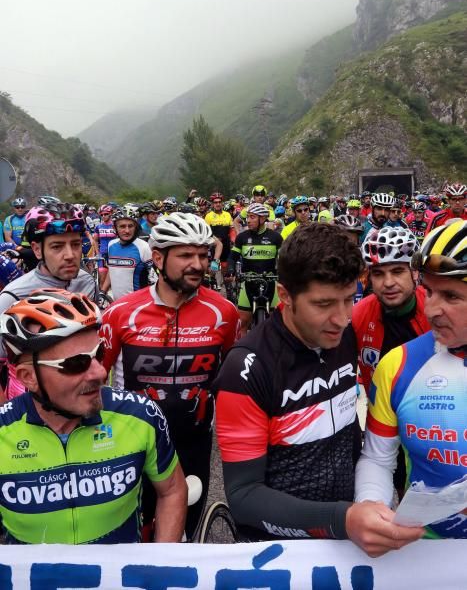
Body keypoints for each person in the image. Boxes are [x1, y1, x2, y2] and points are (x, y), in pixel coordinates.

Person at [214, 223, 423, 554]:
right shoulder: (245, 369)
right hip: (281, 551)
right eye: (324, 304)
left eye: (348, 299)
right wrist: (342, 519)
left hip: (348, 538)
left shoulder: (343, 333)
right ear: (285, 296)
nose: (341, 318)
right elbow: (243, 497)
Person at [0, 289, 187, 544]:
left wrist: (162, 564)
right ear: (28, 377)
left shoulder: (140, 415)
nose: (100, 372)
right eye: (76, 364)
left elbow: (173, 490)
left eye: (98, 354)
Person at [101, 212, 240, 539]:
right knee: (135, 532)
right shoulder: (121, 313)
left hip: (194, 441)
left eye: (203, 255)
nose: (197, 264)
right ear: (159, 258)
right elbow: (95, 377)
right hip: (134, 442)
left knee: (185, 534)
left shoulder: (224, 312)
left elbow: (231, 381)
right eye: (186, 255)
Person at [355, 219, 467, 540]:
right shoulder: (398, 364)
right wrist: (370, 505)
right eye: (429, 292)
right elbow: (377, 458)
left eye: (451, 296)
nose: (431, 309)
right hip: (428, 546)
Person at [0, 203, 96, 401]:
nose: (70, 255)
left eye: (75, 244)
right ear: (37, 250)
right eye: (57, 246)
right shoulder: (13, 297)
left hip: (80, 390)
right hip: (31, 398)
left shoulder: (86, 282)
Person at [353, 226, 430, 393]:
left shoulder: (435, 308)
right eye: (379, 274)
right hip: (378, 413)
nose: (388, 283)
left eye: (397, 271)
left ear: (415, 272)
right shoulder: (358, 315)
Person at [227, 203, 282, 335]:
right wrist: (230, 269)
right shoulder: (242, 237)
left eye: (252, 217)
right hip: (248, 282)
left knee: (278, 324)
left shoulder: (275, 237)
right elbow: (232, 257)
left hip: (270, 282)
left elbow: (285, 258)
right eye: (247, 217)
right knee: (242, 323)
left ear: (262, 219)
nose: (248, 220)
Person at [107, 206, 152, 301]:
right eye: (122, 226)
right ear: (114, 228)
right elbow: (111, 271)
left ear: (136, 227)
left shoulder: (144, 247)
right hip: (117, 304)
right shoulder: (111, 245)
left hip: (137, 305)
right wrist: (103, 291)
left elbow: (155, 280)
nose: (127, 231)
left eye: (130, 226)